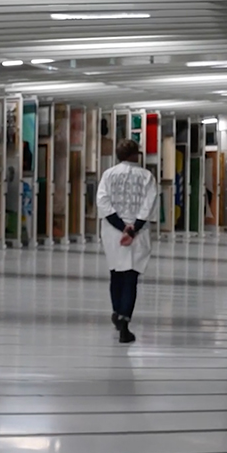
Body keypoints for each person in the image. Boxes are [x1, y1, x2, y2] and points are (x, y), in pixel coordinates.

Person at [96, 138, 158, 344]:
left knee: (116, 273)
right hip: (137, 234)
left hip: (114, 232)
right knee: (131, 277)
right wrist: (134, 228)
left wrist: (121, 226)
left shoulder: (108, 175)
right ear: (136, 154)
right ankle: (125, 320)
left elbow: (103, 202)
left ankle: (116, 311)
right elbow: (149, 203)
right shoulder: (147, 176)